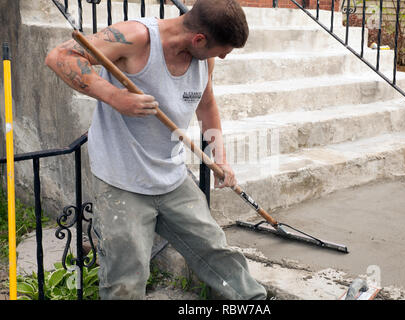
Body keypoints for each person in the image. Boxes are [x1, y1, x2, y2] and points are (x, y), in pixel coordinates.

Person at [45, 0, 267, 300]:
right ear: (198, 39)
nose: (224, 57)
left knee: (215, 249)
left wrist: (221, 159)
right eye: (222, 50)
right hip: (123, 181)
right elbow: (60, 56)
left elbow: (207, 106)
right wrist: (114, 97)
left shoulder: (204, 59)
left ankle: (255, 302)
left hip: (172, 177)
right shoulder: (137, 38)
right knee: (126, 278)